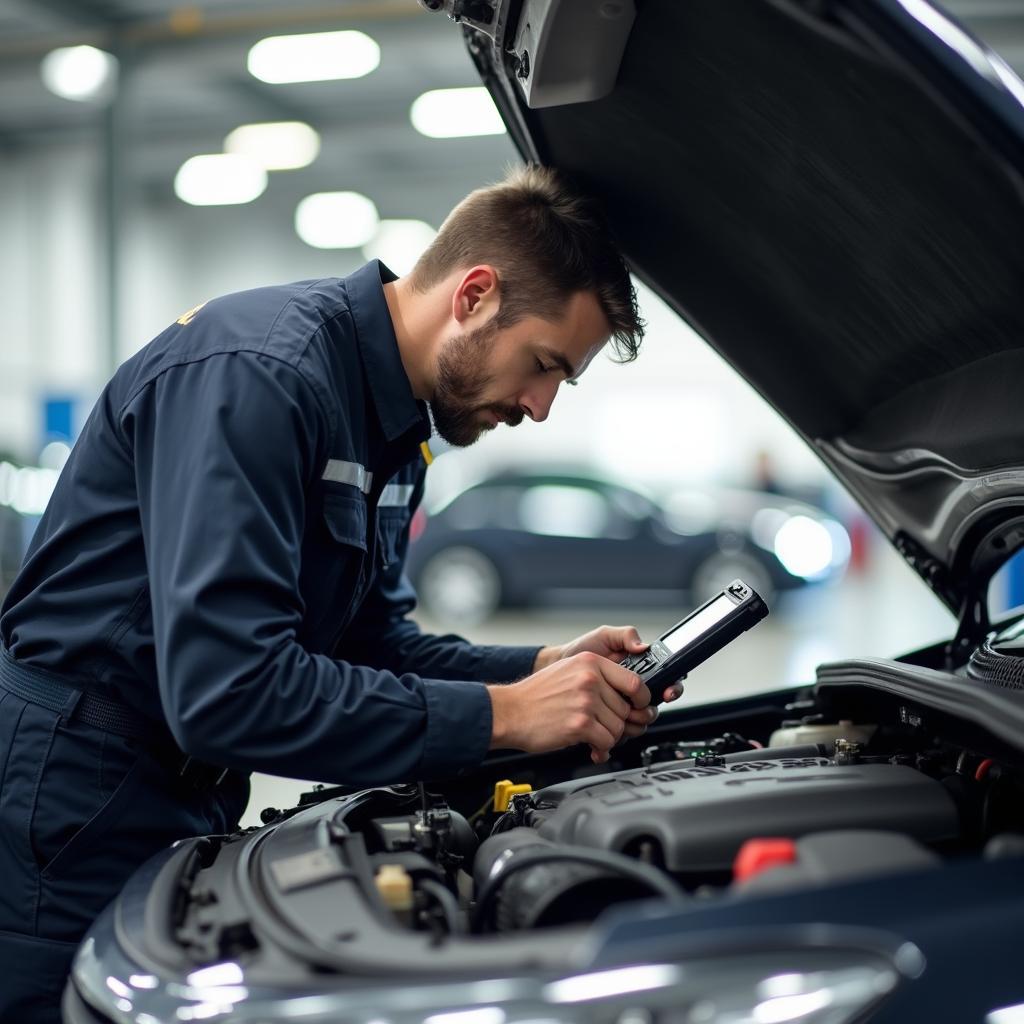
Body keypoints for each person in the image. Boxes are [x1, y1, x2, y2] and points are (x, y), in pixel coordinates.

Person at [0, 165, 682, 1022]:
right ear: (474, 295)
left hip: (182, 783)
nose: (541, 407)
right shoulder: (263, 375)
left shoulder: (396, 425)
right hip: (72, 798)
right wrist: (506, 715)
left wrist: (544, 669)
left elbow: (371, 643)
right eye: (543, 365)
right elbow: (228, 692)